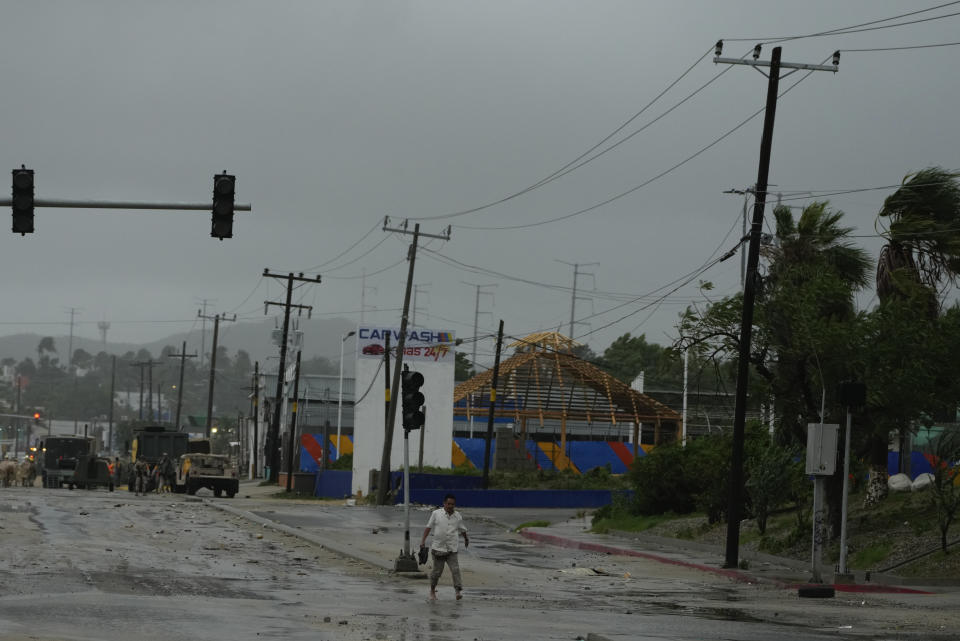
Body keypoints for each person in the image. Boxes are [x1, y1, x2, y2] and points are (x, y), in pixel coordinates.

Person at [420, 493, 469, 601]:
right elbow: (428, 527)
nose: (450, 506)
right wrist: (423, 541)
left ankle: (457, 591)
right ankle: (432, 591)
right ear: (444, 503)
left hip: (452, 548)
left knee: (455, 570)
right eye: (448, 504)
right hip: (438, 548)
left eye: (452, 504)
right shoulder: (436, 513)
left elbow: (462, 529)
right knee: (437, 572)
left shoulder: (457, 516)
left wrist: (466, 539)